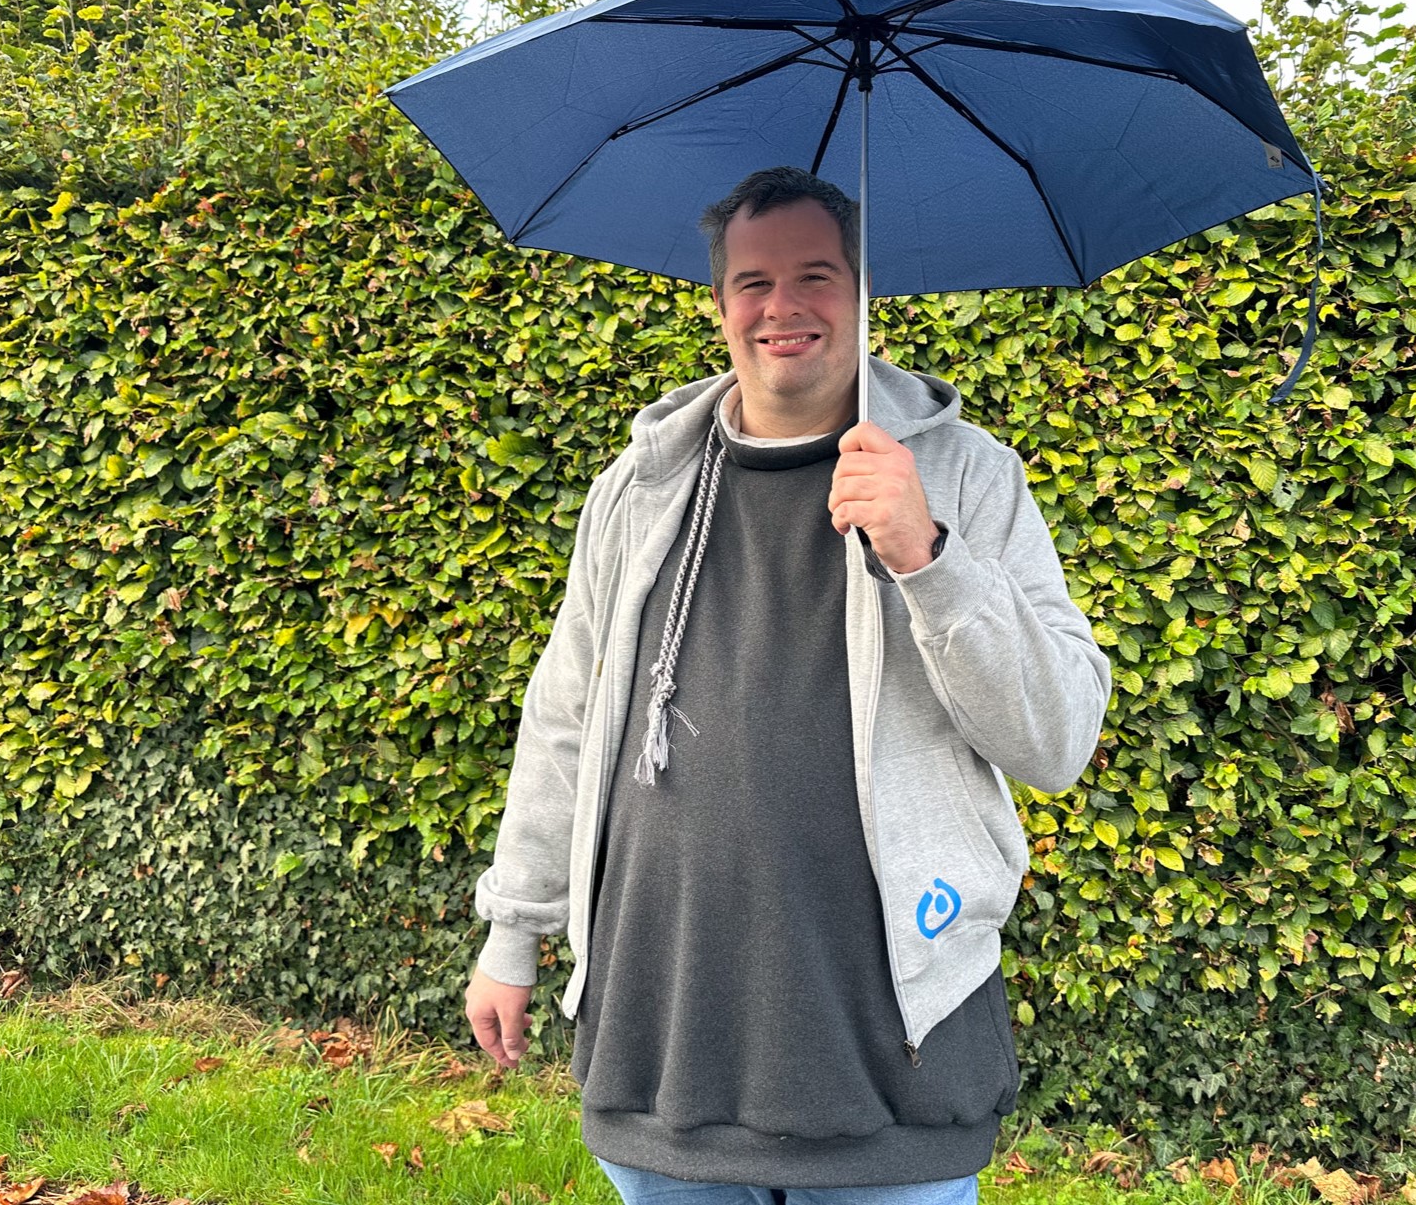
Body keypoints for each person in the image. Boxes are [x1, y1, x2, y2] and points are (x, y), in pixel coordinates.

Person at [463, 166, 1110, 1204]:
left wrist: (929, 553)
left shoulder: (969, 476)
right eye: (754, 281)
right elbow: (566, 713)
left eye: (817, 274)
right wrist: (514, 927)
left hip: (886, 1052)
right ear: (719, 302)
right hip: (662, 1032)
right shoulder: (640, 484)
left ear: (864, 292)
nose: (783, 306)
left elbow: (1059, 734)